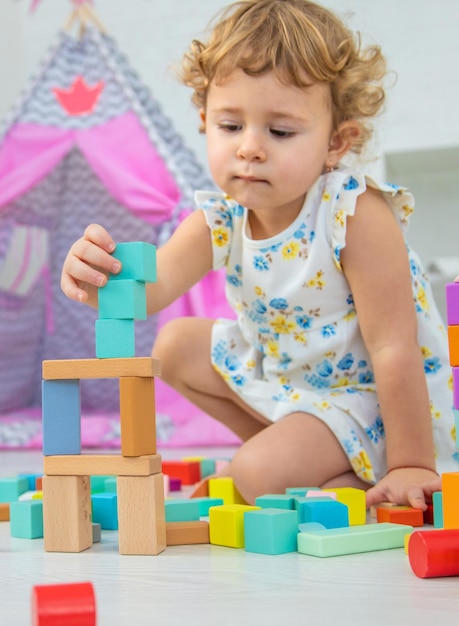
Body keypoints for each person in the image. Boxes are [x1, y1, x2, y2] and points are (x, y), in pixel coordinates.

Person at [61, 0, 459, 508]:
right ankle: (299, 458)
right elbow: (149, 290)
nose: (250, 148)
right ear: (205, 122)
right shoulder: (221, 217)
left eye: (281, 132)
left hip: (371, 404)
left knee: (249, 475)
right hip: (290, 388)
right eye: (231, 127)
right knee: (177, 342)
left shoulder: (353, 213)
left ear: (336, 142)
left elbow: (394, 350)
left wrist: (412, 465)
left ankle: (357, 472)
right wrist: (98, 277)